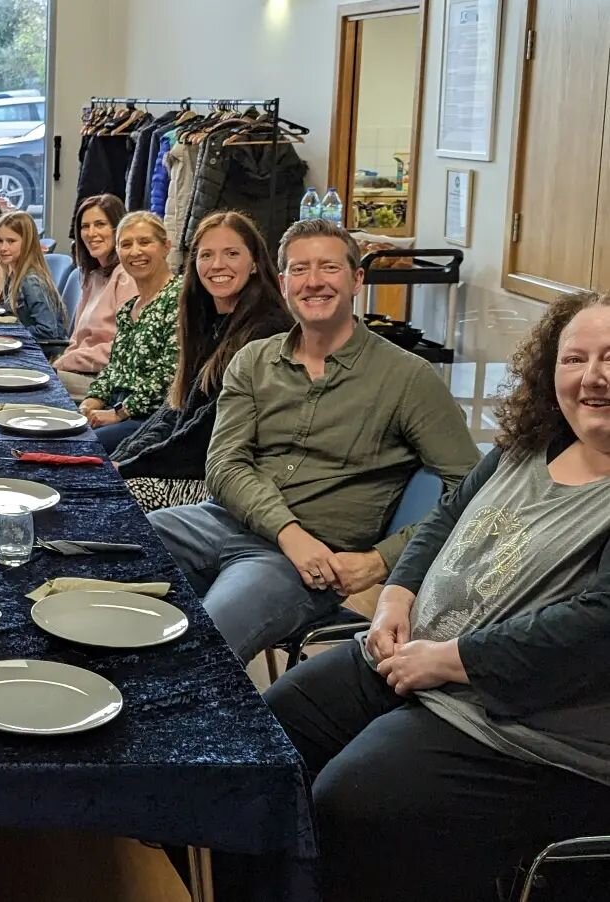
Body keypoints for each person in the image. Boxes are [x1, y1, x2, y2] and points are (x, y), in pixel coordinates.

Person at [266, 290, 610, 902]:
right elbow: (445, 518)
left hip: (518, 719)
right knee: (266, 738)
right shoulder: (525, 446)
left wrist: (451, 659)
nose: (592, 378)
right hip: (415, 659)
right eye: (573, 358)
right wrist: (396, 596)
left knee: (352, 801)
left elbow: (595, 630)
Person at [149, 218, 478, 664]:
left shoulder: (407, 379)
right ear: (283, 283)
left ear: (358, 279)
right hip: (217, 522)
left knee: (201, 645)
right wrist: (289, 533)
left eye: (329, 268)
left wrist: (381, 560)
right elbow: (224, 464)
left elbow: (474, 494)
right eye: (300, 270)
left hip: (306, 567)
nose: (314, 282)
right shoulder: (254, 360)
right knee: (93, 553)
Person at [113, 211, 291, 513]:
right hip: (192, 465)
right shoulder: (210, 322)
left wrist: (128, 468)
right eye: (206, 255)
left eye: (232, 253)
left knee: (111, 500)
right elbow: (175, 410)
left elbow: (207, 433)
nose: (217, 264)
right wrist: (122, 457)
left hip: (228, 481)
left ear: (255, 263)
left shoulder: (266, 331)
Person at [81, 211, 182, 452]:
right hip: (117, 408)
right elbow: (114, 368)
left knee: (81, 446)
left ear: (166, 247)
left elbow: (170, 376)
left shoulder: (179, 298)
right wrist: (89, 403)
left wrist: (119, 413)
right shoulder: (129, 308)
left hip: (153, 419)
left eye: (145, 242)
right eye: (126, 244)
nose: (135, 252)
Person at [53, 194, 137, 401]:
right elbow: (78, 339)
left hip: (105, 380)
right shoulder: (93, 276)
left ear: (118, 229)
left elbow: (123, 349)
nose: (91, 233)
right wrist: (65, 359)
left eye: (100, 224)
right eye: (85, 226)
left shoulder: (127, 277)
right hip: (76, 370)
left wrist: (67, 361)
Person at [0, 211, 69, 359]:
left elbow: (49, 332)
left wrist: (11, 332)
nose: (3, 248)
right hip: (26, 347)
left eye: (11, 241)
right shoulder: (13, 274)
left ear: (27, 243)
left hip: (43, 355)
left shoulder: (30, 281)